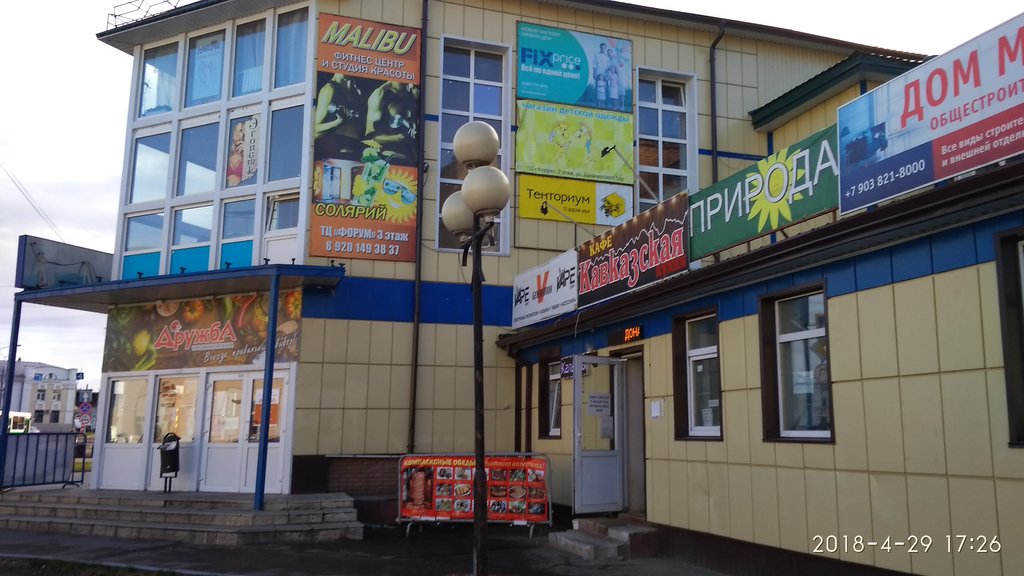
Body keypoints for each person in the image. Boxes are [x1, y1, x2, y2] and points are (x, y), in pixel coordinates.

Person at [364, 81, 419, 164]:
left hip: (411, 162)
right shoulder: (380, 94)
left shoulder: (413, 93)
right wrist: (396, 138)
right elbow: (370, 137)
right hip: (389, 159)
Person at [314, 73, 365, 160]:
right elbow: (314, 130)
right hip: (336, 149)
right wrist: (337, 123)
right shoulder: (329, 90)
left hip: (356, 149)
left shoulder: (356, 91)